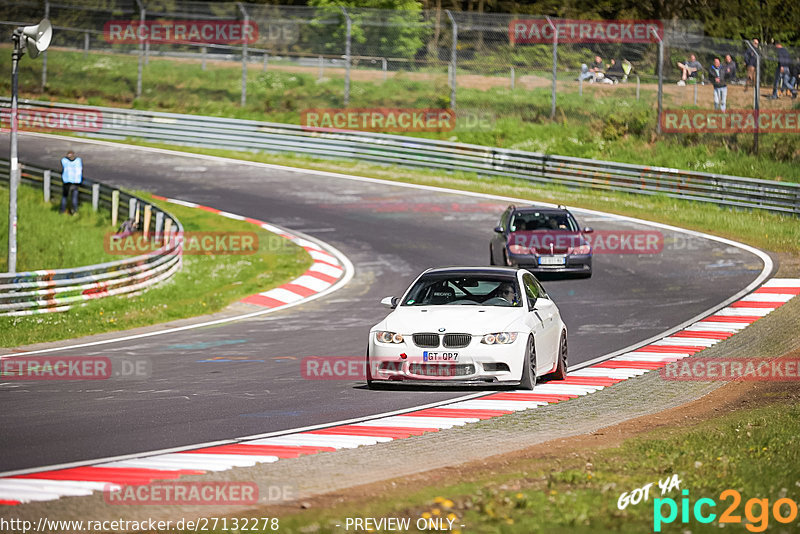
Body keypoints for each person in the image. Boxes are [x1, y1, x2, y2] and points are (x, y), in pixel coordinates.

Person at [60, 150, 83, 215]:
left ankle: (62, 211)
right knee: (74, 197)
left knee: (65, 197)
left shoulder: (64, 161)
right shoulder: (78, 161)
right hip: (76, 182)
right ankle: (74, 211)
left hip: (67, 181)